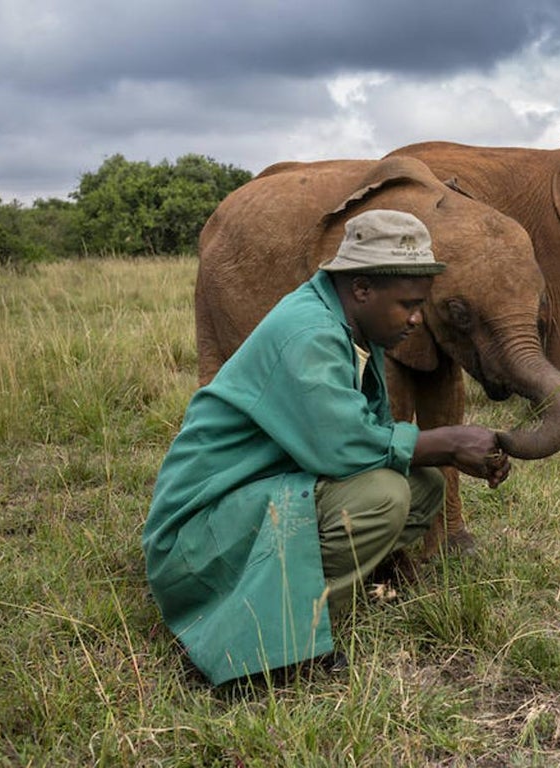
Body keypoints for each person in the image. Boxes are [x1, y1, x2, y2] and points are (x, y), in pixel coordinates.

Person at [142, 209, 511, 685]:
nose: (417, 319)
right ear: (361, 289)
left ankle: (318, 594)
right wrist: (449, 441)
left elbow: (363, 435)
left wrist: (442, 451)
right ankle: (264, 641)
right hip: (195, 534)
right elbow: (344, 449)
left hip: (257, 499)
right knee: (385, 496)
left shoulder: (353, 328)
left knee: (422, 486)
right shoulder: (310, 333)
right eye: (407, 304)